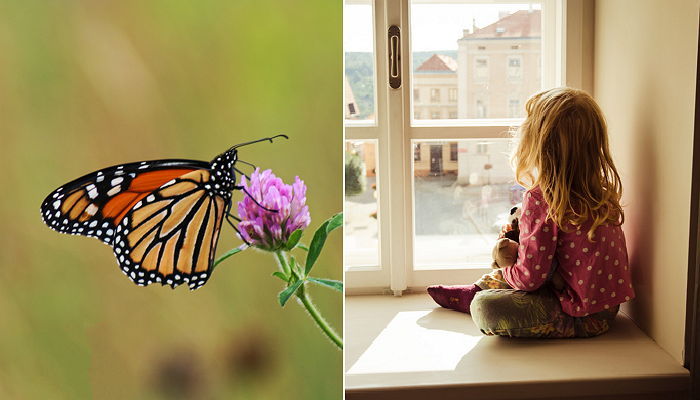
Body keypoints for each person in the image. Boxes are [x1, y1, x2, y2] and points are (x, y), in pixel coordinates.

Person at [428, 87, 635, 338]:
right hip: (607, 309)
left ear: (539, 146)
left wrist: (507, 264)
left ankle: (476, 295)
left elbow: (529, 279)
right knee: (525, 262)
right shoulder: (601, 192)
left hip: (579, 315)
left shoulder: (541, 199)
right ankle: (476, 288)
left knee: (486, 308)